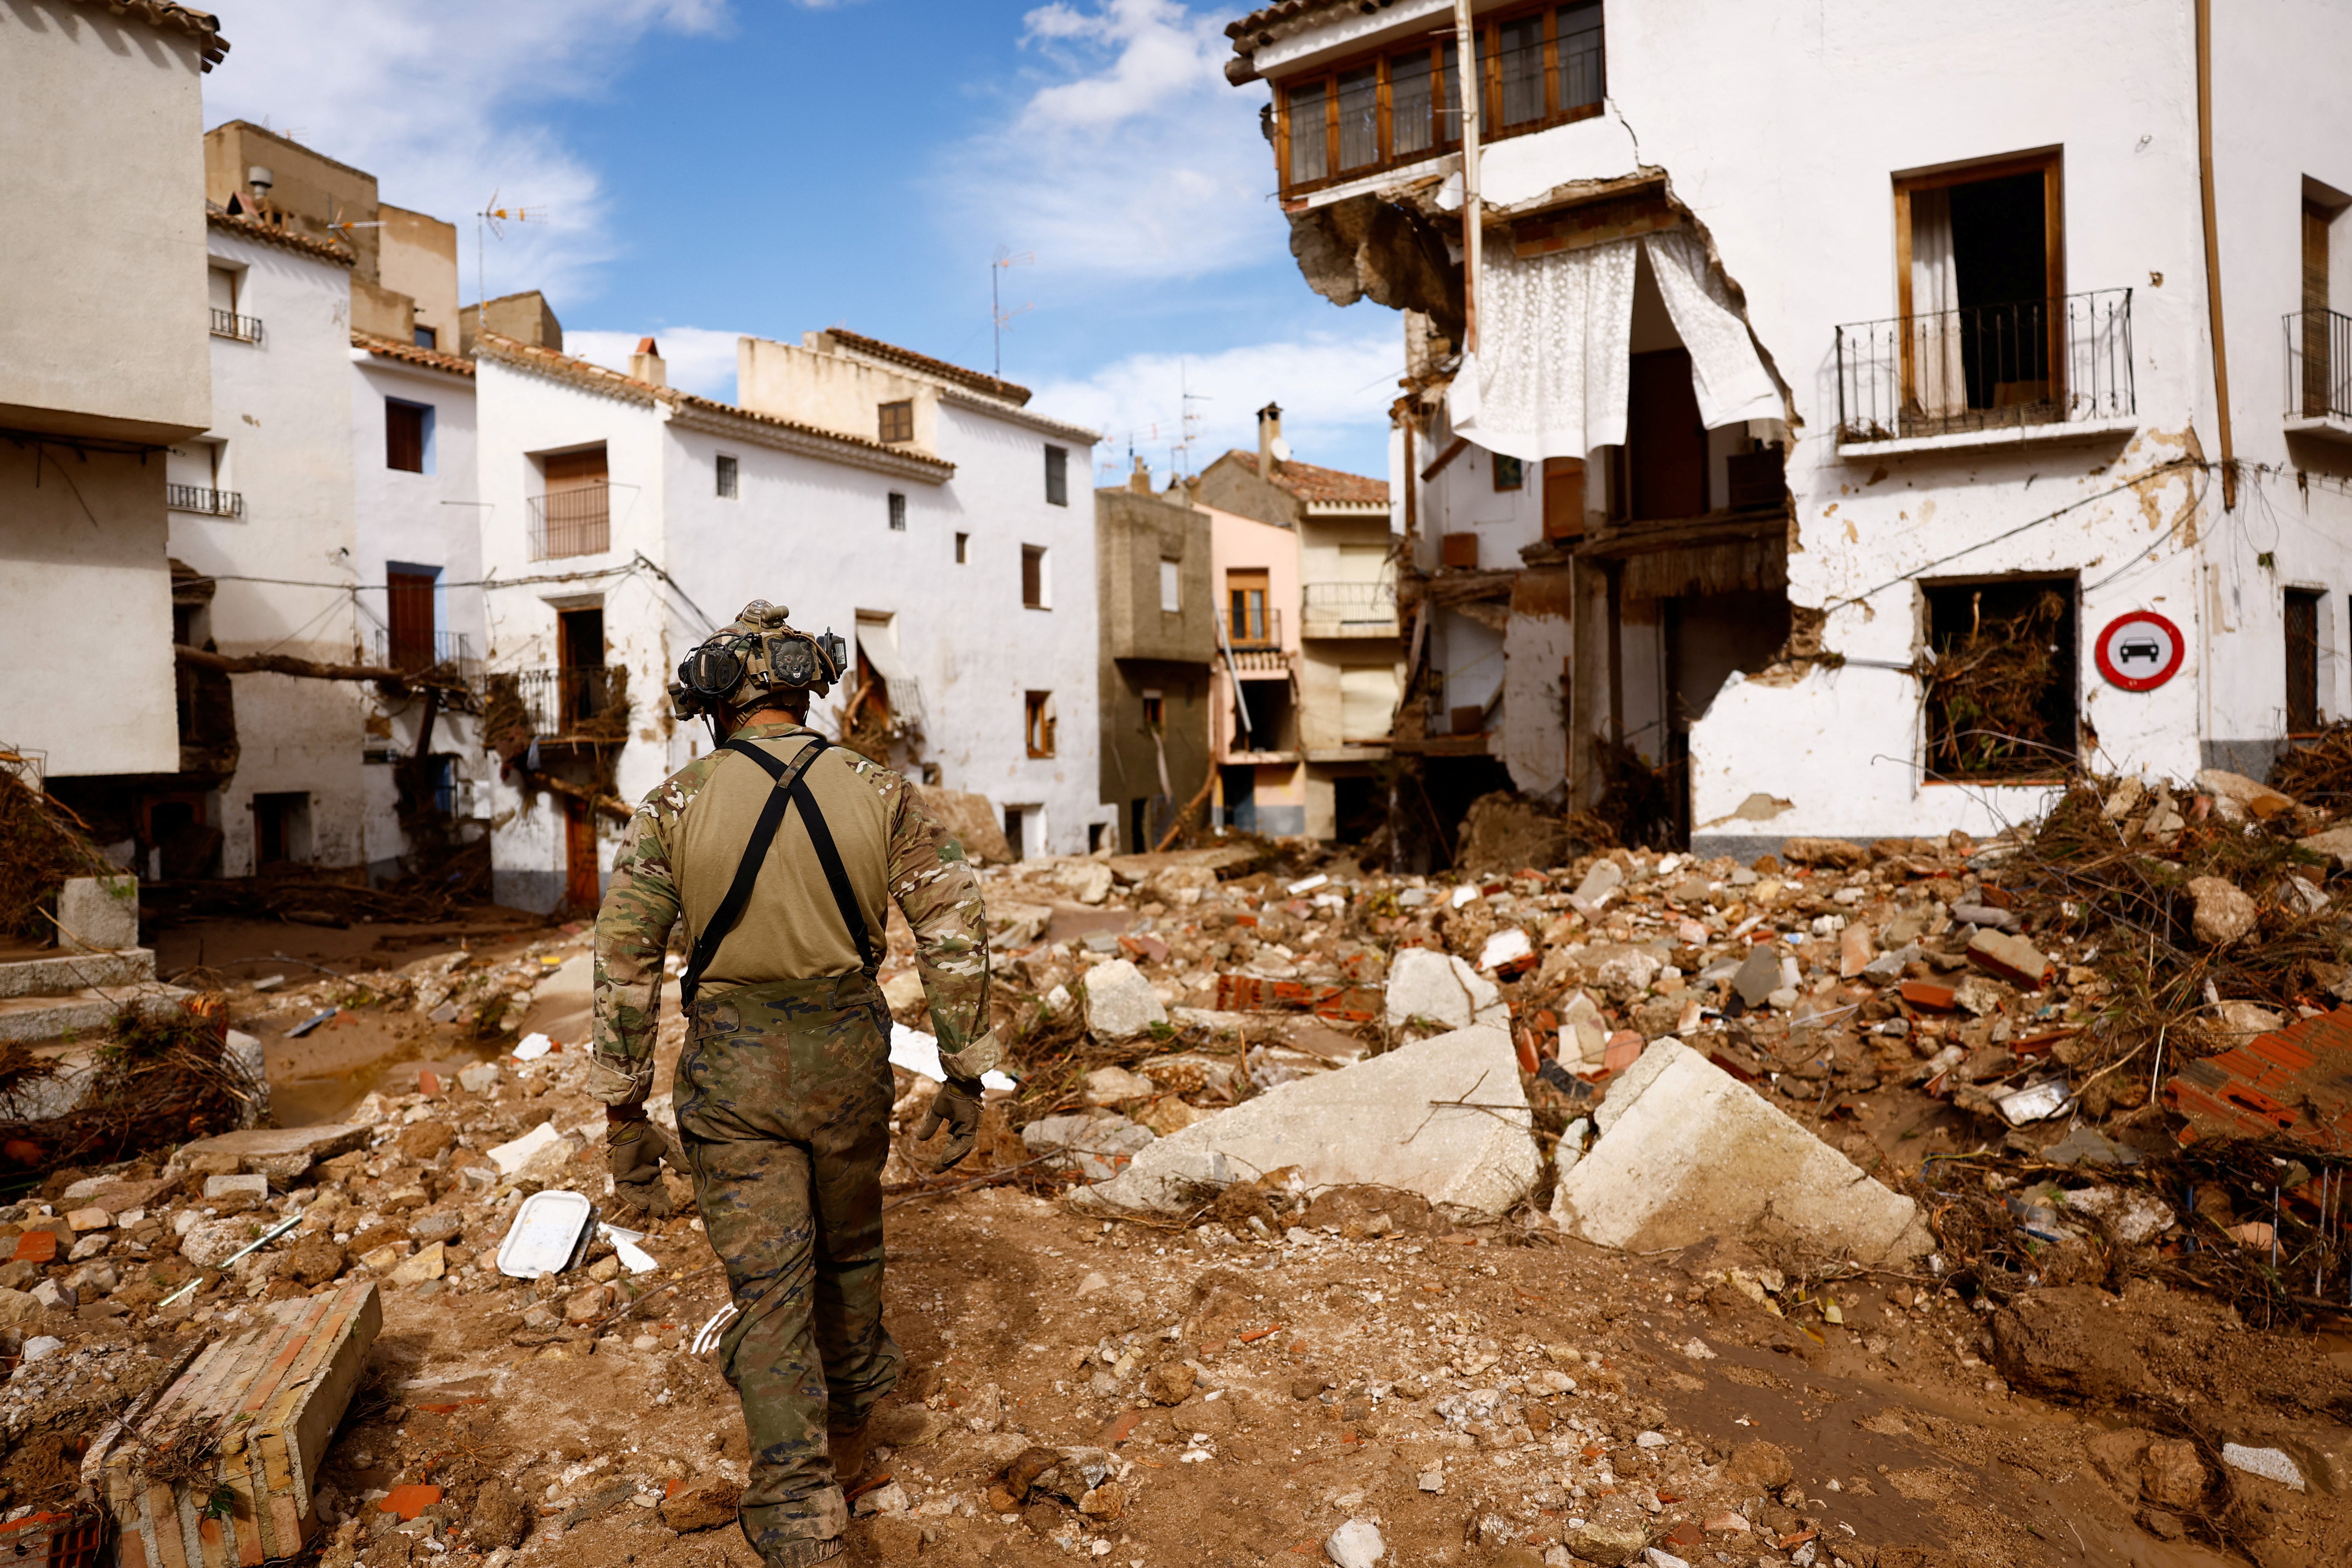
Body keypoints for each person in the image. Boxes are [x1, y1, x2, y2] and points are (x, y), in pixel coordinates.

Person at [589, 599, 995, 1568]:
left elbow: (622, 963)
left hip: (731, 1067)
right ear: (809, 689)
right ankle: (851, 1425)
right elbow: (954, 926)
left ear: (713, 705)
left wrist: (621, 1111)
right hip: (847, 1055)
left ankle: (798, 1494)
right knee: (850, 1248)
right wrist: (967, 1073)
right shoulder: (881, 790)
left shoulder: (672, 805)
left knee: (769, 1287)